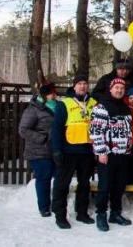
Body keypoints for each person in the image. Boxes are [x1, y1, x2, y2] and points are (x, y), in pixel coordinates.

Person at [51, 74, 97, 229]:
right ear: (74, 86)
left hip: (87, 150)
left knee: (84, 183)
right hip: (68, 150)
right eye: (80, 84)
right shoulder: (65, 103)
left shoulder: (94, 103)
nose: (83, 86)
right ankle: (60, 215)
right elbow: (57, 128)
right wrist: (56, 149)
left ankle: (82, 212)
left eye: (85, 83)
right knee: (62, 183)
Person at [89, 78, 133, 232]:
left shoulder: (126, 107)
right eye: (117, 88)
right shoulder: (101, 107)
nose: (119, 90)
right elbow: (95, 131)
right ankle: (101, 214)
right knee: (105, 186)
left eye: (122, 88)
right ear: (110, 89)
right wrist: (101, 151)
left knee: (119, 185)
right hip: (107, 154)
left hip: (123, 154)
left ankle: (115, 213)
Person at [19, 81, 57, 217]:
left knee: (59, 176)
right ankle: (44, 207)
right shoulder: (33, 109)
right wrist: (43, 138)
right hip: (39, 150)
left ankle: (57, 204)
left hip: (54, 149)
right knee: (43, 178)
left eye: (54, 93)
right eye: (51, 93)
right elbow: (23, 130)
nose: (54, 95)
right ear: (45, 94)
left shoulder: (56, 107)